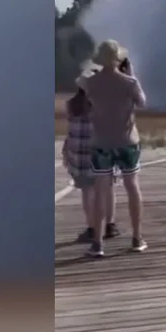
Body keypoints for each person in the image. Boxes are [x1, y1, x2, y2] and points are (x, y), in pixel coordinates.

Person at [77, 39, 148, 257]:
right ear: (119, 59)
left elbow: (80, 79)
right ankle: (136, 238)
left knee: (101, 191)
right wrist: (131, 72)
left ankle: (98, 244)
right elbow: (142, 102)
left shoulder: (91, 83)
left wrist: (92, 69)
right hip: (127, 141)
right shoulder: (130, 82)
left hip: (101, 143)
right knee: (132, 187)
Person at [62, 80, 121, 243]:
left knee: (87, 191)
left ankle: (92, 227)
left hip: (79, 155)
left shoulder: (71, 104)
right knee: (108, 189)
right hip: (101, 152)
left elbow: (70, 129)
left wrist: (66, 151)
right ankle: (110, 225)